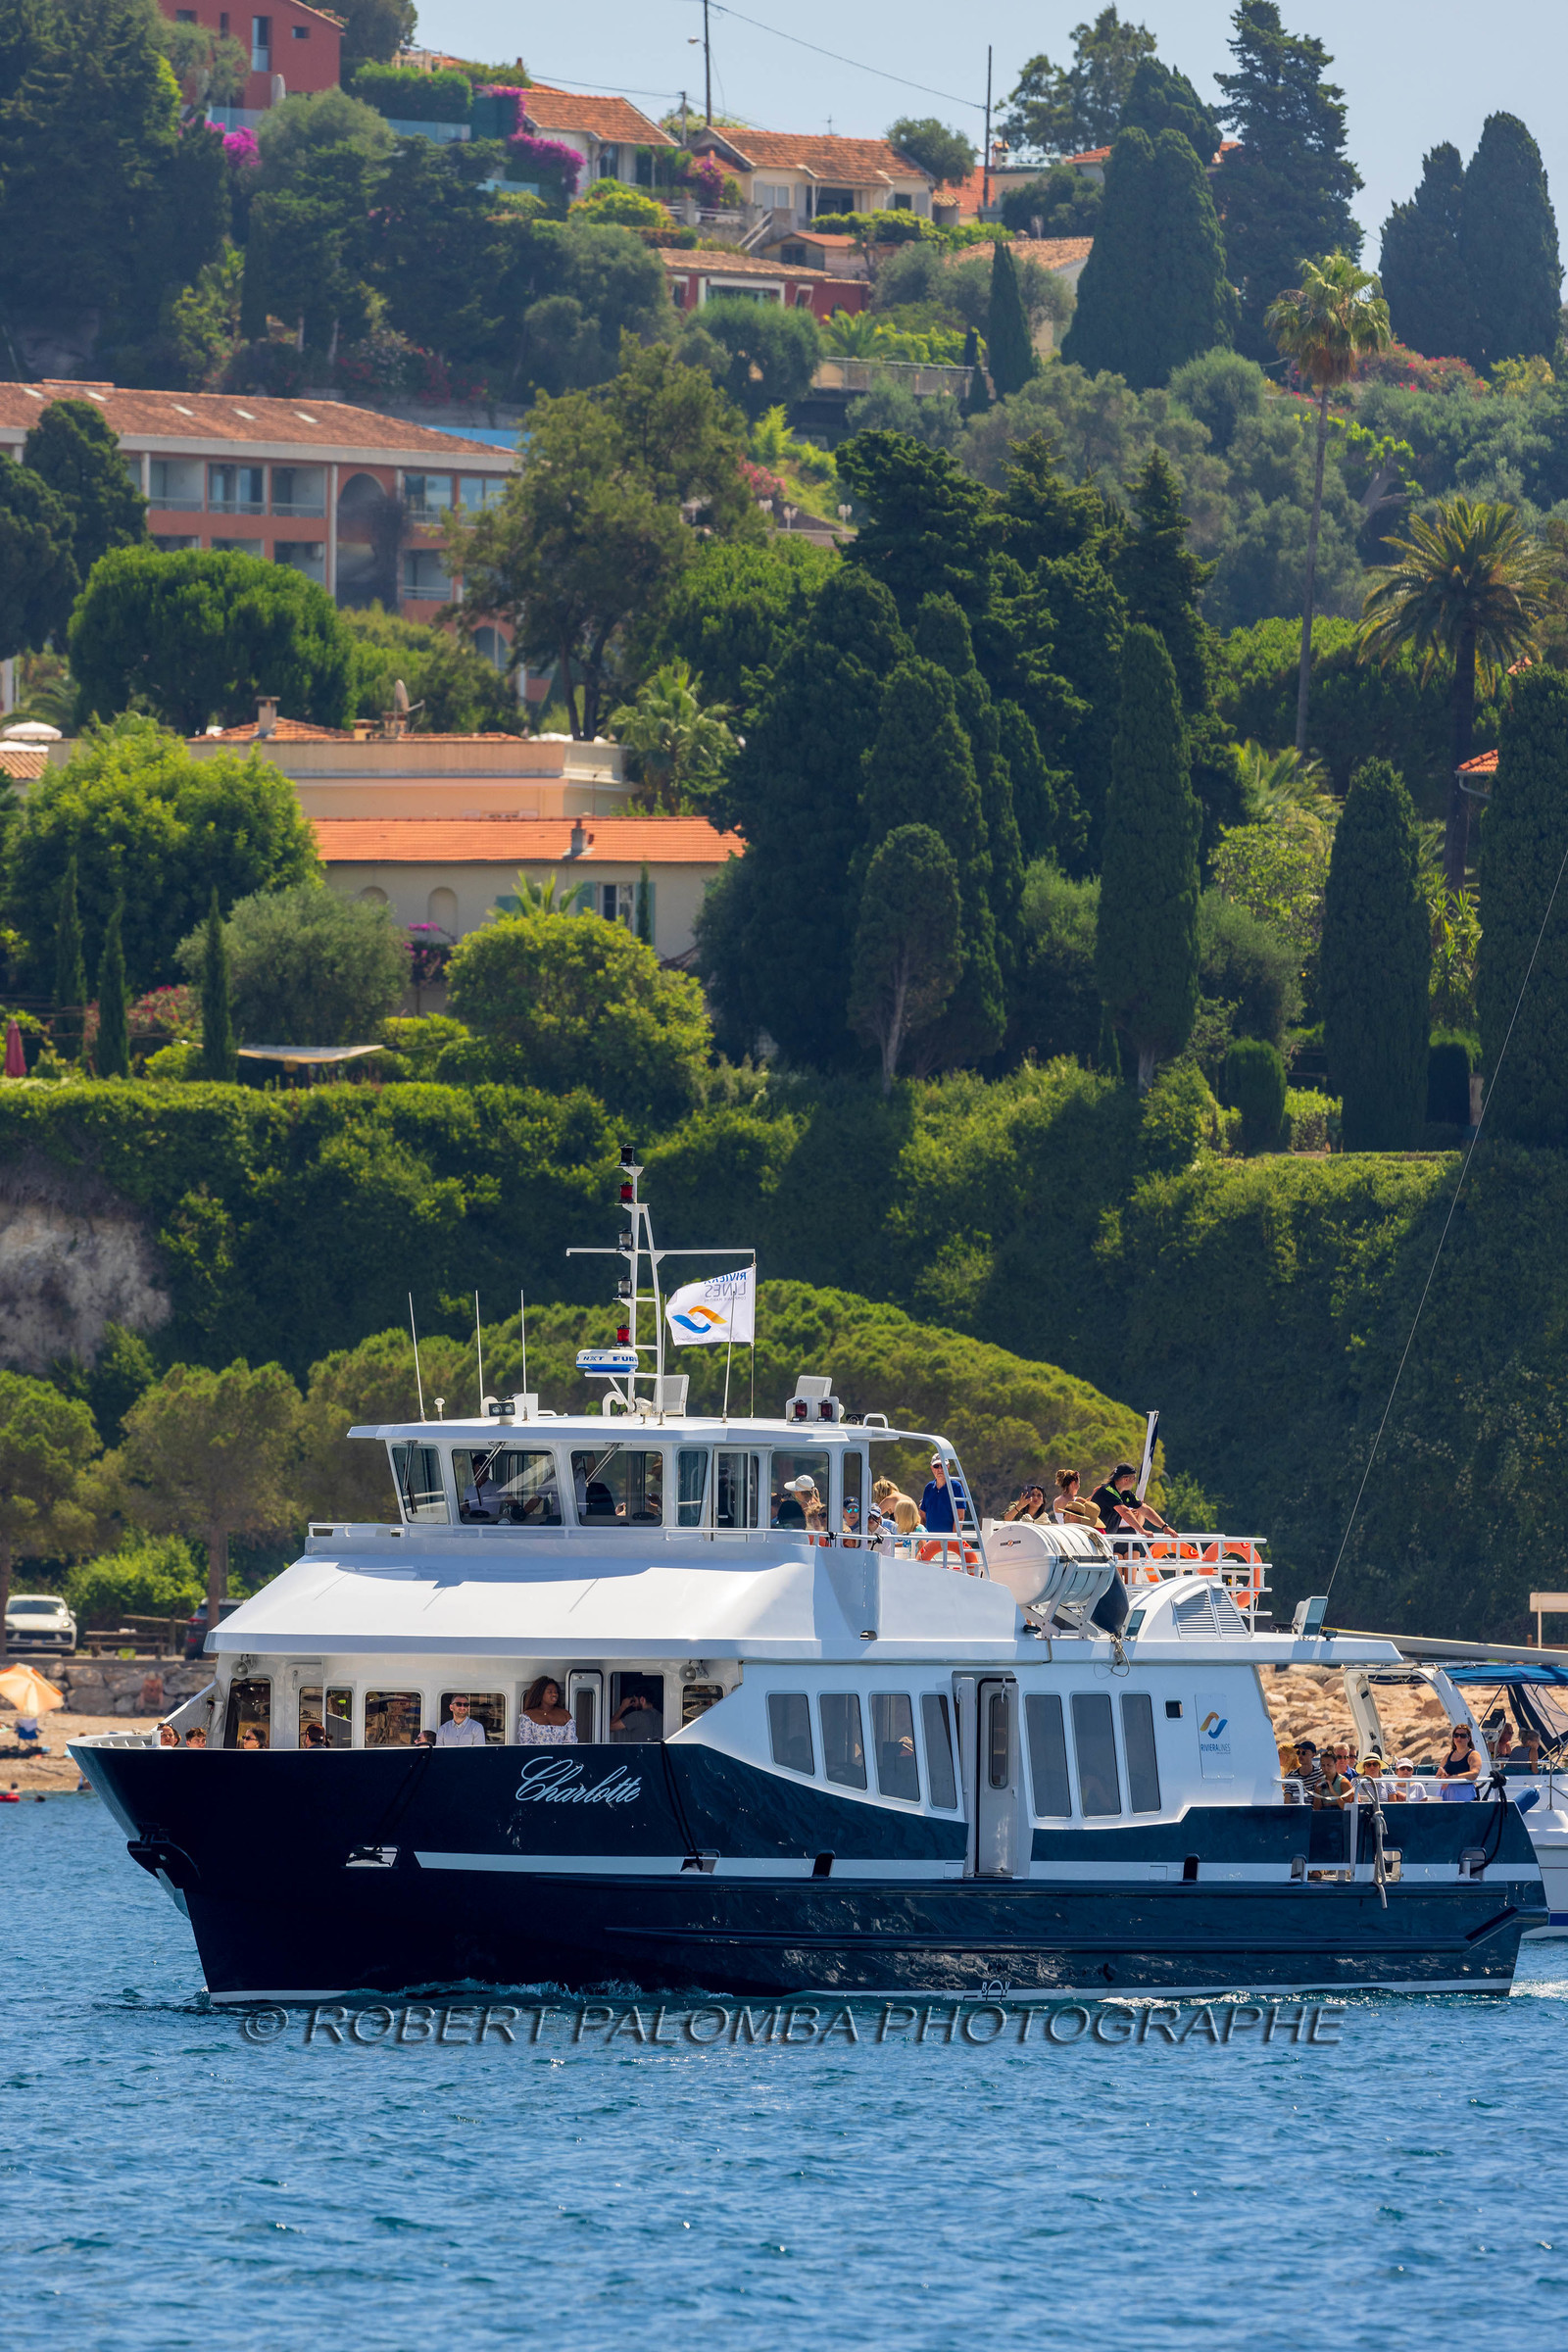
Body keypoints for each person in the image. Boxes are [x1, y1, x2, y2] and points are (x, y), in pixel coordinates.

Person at [1091, 1464, 1173, 1537]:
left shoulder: (1125, 1493)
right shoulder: (1108, 1490)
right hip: (1094, 1537)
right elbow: (1125, 1511)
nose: (1134, 1481)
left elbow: (1145, 1510)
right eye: (1134, 1478)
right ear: (1125, 1479)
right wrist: (1142, 1531)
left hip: (1105, 1538)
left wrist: (1165, 1527)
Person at [517, 1678, 577, 1746]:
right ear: (540, 1693)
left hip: (561, 1757)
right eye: (550, 1692)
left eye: (556, 1692)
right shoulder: (528, 1716)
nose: (554, 1694)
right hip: (537, 1757)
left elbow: (571, 1743)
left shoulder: (565, 1715)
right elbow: (526, 1743)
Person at [921, 1456, 969, 1534]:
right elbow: (922, 1516)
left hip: (948, 1540)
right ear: (932, 1468)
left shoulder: (956, 1487)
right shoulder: (928, 1487)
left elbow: (960, 1517)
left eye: (943, 1465)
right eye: (936, 1466)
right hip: (929, 1540)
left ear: (948, 1467)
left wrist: (953, 1540)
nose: (940, 1469)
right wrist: (922, 1539)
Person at [1438, 1722, 1482, 1796]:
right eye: (1456, 1735)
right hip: (1445, 1792)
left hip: (1464, 1794)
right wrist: (1441, 1775)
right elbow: (1438, 1775)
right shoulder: (1448, 1755)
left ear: (1469, 1738)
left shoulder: (1473, 1755)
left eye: (1463, 1736)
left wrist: (1451, 1778)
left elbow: (1474, 1774)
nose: (1459, 1738)